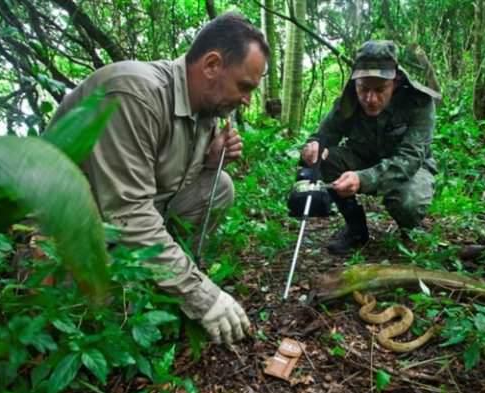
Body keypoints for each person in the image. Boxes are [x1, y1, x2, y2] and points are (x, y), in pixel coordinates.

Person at [48, 13, 270, 345]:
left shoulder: (206, 109)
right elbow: (128, 211)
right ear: (211, 65)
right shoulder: (135, 93)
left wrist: (209, 162)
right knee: (102, 316)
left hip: (115, 222)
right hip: (66, 233)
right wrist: (201, 294)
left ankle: (166, 277)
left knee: (219, 186)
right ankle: (159, 283)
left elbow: (167, 184)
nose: (248, 100)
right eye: (244, 86)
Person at [301, 40, 440, 255]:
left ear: (395, 81)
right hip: (363, 158)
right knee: (327, 160)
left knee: (408, 202)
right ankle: (356, 230)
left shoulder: (419, 102)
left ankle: (410, 233)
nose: (370, 99)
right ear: (355, 83)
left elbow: (411, 158)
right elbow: (323, 136)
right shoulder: (348, 100)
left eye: (380, 89)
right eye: (363, 89)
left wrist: (363, 179)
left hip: (410, 168)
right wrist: (314, 148)